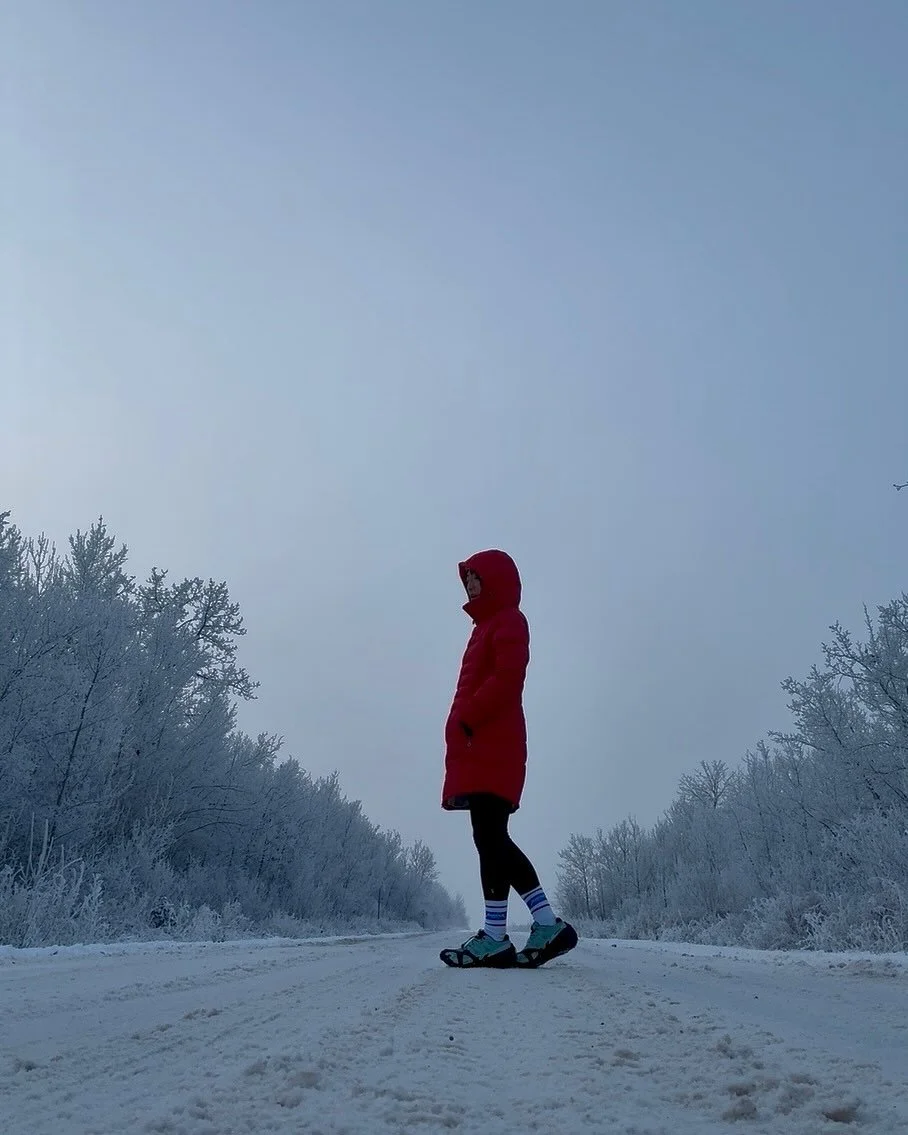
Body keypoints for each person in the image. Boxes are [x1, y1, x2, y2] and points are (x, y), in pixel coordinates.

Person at [439, 549, 578, 968]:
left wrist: (468, 717)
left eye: (476, 578)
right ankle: (505, 933)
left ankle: (536, 927)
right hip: (481, 745)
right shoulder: (485, 627)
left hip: (493, 744)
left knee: (492, 838)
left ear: (495, 581)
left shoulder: (508, 621)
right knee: (489, 838)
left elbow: (508, 677)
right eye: (466, 580)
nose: (470, 586)